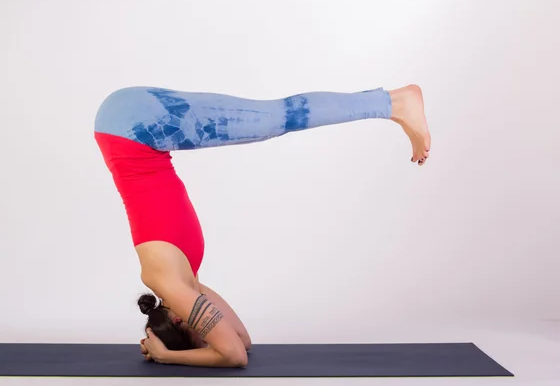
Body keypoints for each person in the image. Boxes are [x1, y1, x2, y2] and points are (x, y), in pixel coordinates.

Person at [93, 84, 431, 368]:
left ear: (183, 320)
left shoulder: (163, 278)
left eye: (204, 332)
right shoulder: (187, 280)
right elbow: (243, 340)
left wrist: (168, 356)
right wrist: (184, 344)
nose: (214, 327)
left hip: (131, 127)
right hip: (134, 127)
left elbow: (233, 355)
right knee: (275, 120)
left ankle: (394, 101)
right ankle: (392, 103)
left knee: (277, 118)